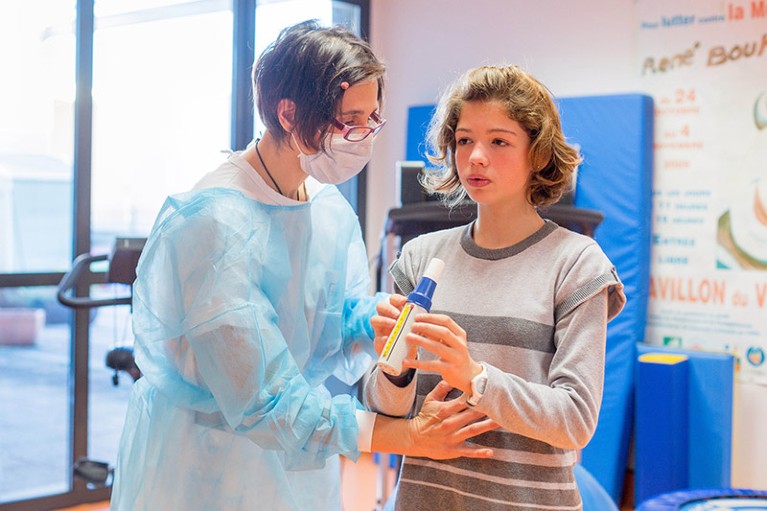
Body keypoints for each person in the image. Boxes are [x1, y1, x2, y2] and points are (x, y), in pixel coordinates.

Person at [110, 21, 497, 511]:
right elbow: (267, 401)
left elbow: (329, 310)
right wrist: (409, 437)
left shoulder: (325, 207)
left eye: (372, 118)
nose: (362, 136)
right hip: (209, 462)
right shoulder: (214, 226)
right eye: (347, 120)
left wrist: (372, 323)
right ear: (288, 112)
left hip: (294, 468)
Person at [364, 64, 626, 510]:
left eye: (499, 141)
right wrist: (395, 368)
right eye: (464, 140)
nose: (475, 157)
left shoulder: (577, 264)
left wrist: (475, 377)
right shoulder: (419, 258)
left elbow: (575, 420)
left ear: (539, 155)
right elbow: (384, 409)